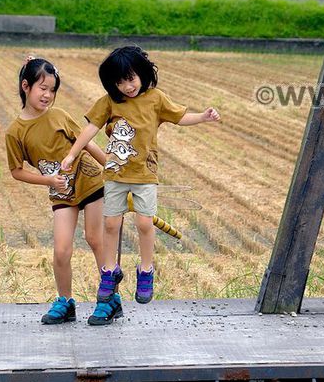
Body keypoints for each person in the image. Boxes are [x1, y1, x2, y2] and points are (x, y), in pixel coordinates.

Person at [61, 46, 220, 305]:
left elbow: (180, 117)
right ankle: (109, 272)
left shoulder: (156, 98)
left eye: (131, 78)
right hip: (114, 175)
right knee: (111, 225)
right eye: (120, 82)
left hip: (145, 174)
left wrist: (203, 116)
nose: (127, 86)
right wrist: (71, 155)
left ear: (143, 73)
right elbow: (91, 128)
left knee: (145, 224)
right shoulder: (110, 102)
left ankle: (146, 271)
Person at [4, 56, 123, 326]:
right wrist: (48, 181)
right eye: (42, 88)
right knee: (61, 250)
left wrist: (114, 169)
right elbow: (16, 171)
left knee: (95, 239)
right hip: (60, 193)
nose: (48, 95)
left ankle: (109, 300)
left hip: (90, 182)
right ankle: (65, 302)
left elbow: (87, 145)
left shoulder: (59, 116)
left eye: (53, 90)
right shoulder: (15, 132)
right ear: (26, 86)